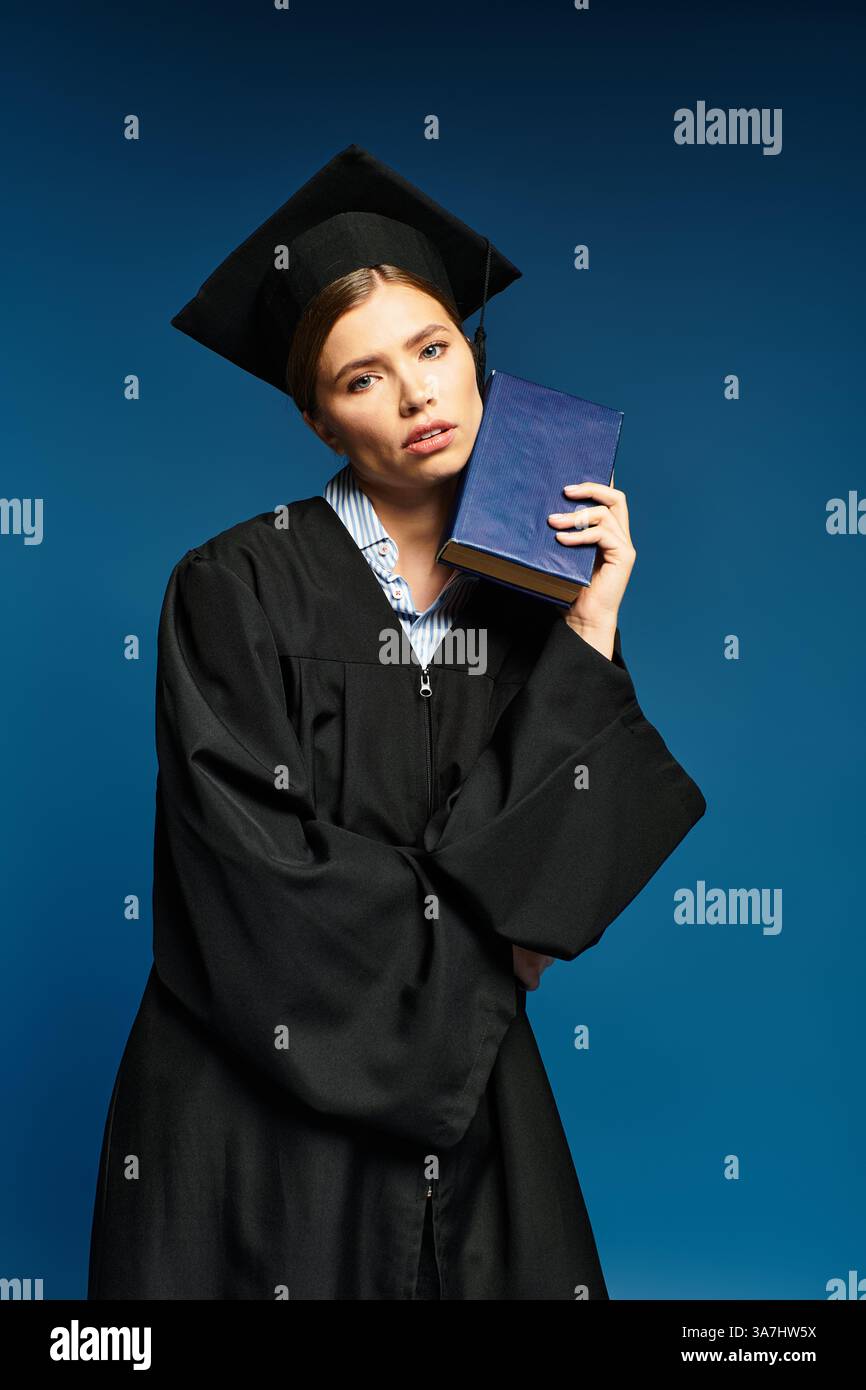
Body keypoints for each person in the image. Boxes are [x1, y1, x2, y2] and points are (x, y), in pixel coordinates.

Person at [87, 144, 706, 1301]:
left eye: (431, 349)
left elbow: (560, 876)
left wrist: (589, 627)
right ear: (321, 421)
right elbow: (250, 875)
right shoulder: (234, 585)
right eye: (361, 377)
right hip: (249, 1103)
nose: (416, 394)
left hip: (469, 1100)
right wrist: (483, 941)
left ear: (473, 359)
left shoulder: (535, 595)